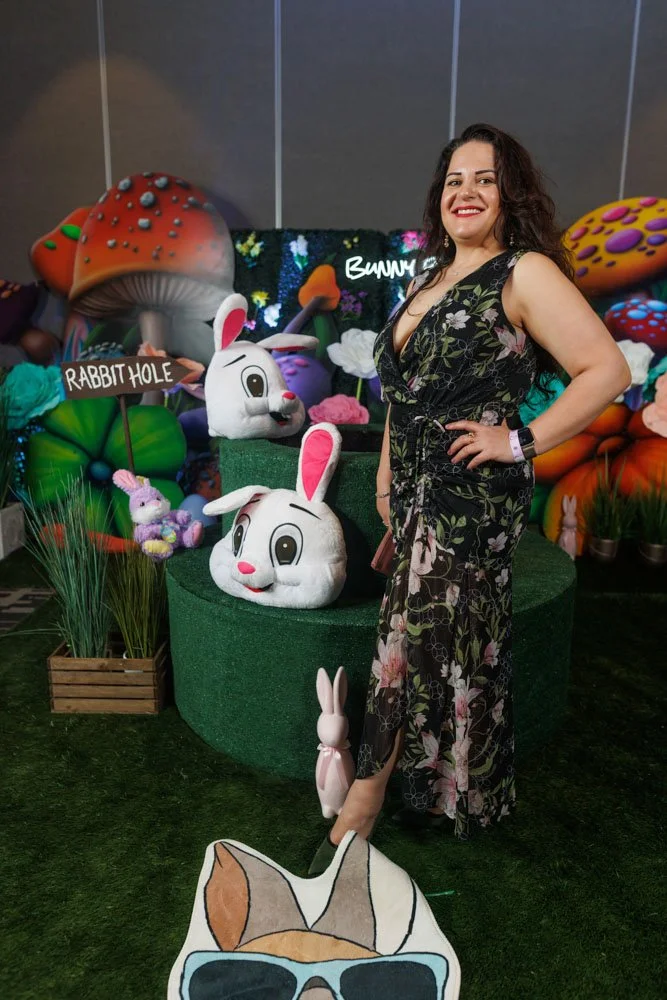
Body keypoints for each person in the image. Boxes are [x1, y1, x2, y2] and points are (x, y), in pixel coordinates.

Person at [309, 123, 630, 872]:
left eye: (484, 179)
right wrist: (386, 483)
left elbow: (607, 371)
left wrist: (517, 441)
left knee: (408, 642)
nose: (466, 192)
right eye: (454, 179)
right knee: (432, 641)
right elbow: (401, 396)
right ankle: (439, 787)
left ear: (509, 193)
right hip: (414, 492)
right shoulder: (425, 281)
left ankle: (366, 796)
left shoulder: (524, 273)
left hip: (472, 495)